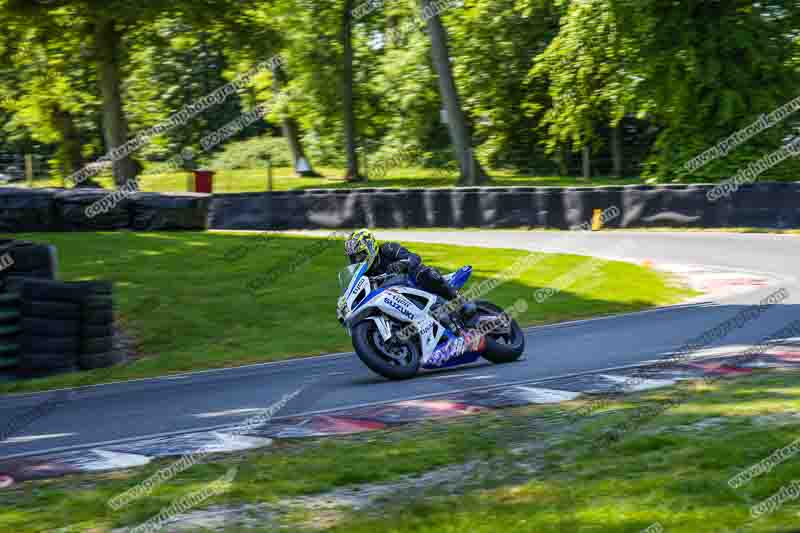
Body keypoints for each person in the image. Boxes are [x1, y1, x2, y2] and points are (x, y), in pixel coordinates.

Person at [343, 229, 476, 320]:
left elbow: (414, 257)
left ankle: (461, 302)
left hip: (414, 284)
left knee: (422, 272)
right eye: (354, 258)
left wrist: (402, 264)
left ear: (370, 247)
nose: (357, 260)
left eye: (360, 255)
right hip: (398, 300)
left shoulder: (388, 249)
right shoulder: (364, 275)